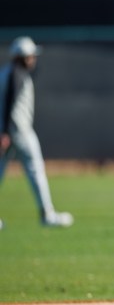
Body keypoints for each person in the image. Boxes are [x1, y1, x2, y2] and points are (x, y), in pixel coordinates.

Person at [0, 36, 73, 228]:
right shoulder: (17, 73)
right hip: (18, 131)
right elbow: (10, 101)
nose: (33, 59)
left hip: (7, 131)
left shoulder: (7, 72)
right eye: (30, 56)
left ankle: (47, 213)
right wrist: (6, 132)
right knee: (35, 169)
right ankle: (47, 213)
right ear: (22, 57)